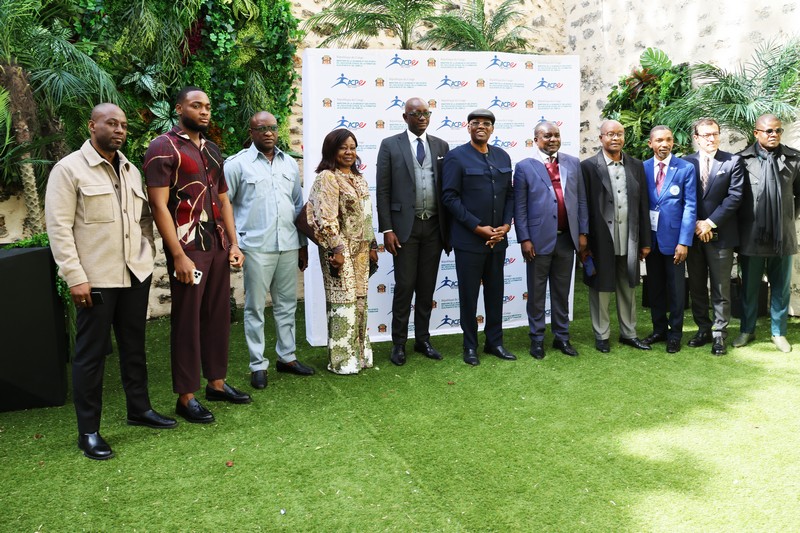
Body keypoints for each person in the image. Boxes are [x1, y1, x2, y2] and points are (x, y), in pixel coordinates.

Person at [45, 103, 176, 460]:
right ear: (92, 126)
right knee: (90, 355)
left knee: (135, 347)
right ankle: (88, 431)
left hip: (135, 274)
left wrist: (146, 256)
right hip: (95, 279)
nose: (119, 129)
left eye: (123, 125)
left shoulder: (132, 170)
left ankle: (140, 409)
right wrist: (75, 277)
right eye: (111, 123)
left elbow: (145, 218)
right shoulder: (68, 170)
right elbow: (58, 229)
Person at [144, 86, 251, 424]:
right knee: (188, 322)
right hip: (188, 248)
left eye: (207, 106)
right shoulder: (163, 147)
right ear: (179, 109)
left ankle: (216, 383)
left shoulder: (214, 150)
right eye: (196, 105)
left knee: (218, 316)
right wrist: (177, 255)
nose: (204, 111)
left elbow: (223, 202)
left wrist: (233, 244)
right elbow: (158, 204)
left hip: (217, 245)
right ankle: (185, 396)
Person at [225, 111, 314, 390]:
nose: (268, 133)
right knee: (254, 308)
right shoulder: (237, 165)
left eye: (273, 128)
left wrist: (302, 245)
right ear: (251, 133)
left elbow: (299, 207)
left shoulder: (289, 164)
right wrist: (234, 244)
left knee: (287, 305)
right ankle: (257, 364)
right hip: (255, 247)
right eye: (261, 128)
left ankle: (286, 357)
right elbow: (224, 205)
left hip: (288, 245)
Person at [375, 97, 451, 366]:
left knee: (427, 287)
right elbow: (382, 190)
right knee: (405, 286)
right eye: (415, 113)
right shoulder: (390, 145)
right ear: (405, 116)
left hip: (433, 226)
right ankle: (398, 344)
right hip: (403, 228)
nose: (421, 117)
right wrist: (387, 228)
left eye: (425, 113)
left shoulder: (441, 146)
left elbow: (447, 189)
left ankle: (423, 339)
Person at [442, 108, 516, 366]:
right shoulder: (456, 157)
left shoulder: (502, 156)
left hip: (498, 240)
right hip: (470, 241)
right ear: (468, 127)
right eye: (476, 123)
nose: (481, 127)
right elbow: (449, 197)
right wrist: (477, 227)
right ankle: (470, 346)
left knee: (496, 293)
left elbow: (509, 194)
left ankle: (494, 342)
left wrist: (506, 225)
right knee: (469, 295)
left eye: (486, 123)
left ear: (493, 129)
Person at [514, 121, 588, 359]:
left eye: (556, 135)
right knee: (536, 294)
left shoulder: (572, 163)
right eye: (547, 136)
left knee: (561, 292)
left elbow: (582, 201)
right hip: (537, 241)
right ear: (536, 139)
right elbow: (520, 207)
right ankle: (537, 339)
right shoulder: (524, 167)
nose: (553, 139)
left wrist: (583, 232)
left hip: (567, 240)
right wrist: (524, 238)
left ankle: (562, 337)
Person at [307, 129, 378, 374]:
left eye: (352, 147)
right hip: (338, 248)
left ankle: (360, 355)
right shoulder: (327, 177)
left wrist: (372, 246)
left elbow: (366, 216)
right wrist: (336, 249)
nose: (349, 152)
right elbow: (325, 217)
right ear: (331, 150)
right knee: (343, 303)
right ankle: (342, 361)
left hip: (360, 249)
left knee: (360, 301)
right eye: (343, 148)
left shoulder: (358, 178)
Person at [581, 120, 652, 353]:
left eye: (619, 134)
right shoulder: (589, 167)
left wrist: (645, 242)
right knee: (600, 288)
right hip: (601, 239)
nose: (615, 138)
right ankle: (602, 335)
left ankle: (628, 333)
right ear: (601, 138)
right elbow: (584, 206)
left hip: (629, 238)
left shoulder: (636, 166)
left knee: (628, 286)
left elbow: (643, 206)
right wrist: (585, 239)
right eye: (610, 134)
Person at [733, 114, 800, 353]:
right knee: (749, 288)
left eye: (778, 131)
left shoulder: (793, 159)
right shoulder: (741, 160)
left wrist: (787, 217)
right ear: (756, 133)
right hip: (751, 236)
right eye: (769, 131)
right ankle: (747, 330)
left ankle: (779, 333)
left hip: (783, 236)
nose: (774, 135)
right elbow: (734, 199)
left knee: (781, 287)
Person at [683, 118, 744, 355]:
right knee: (697, 286)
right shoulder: (686, 162)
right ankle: (703, 329)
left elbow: (735, 197)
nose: (711, 138)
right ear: (696, 138)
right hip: (694, 236)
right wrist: (697, 226)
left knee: (721, 288)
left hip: (721, 235)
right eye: (706, 135)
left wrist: (709, 223)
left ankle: (719, 334)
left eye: (715, 134)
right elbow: (685, 198)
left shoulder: (732, 162)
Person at [641, 126, 697, 353]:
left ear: (674, 142)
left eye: (668, 140)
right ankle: (658, 330)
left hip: (674, 241)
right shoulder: (641, 168)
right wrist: (641, 241)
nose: (664, 144)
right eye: (659, 140)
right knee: (654, 288)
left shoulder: (685, 168)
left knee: (675, 290)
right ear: (650, 144)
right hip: (650, 241)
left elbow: (690, 206)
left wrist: (684, 242)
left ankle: (675, 333)